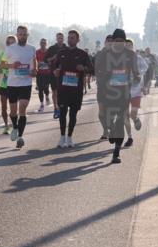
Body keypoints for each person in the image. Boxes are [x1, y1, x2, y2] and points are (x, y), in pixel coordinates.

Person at [95, 29, 142, 164]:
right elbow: (97, 70)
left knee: (120, 121)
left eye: (122, 41)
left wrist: (137, 77)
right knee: (109, 119)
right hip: (108, 93)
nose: (119, 43)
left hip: (124, 94)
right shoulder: (105, 54)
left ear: (125, 42)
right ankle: (110, 129)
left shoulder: (130, 55)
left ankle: (116, 153)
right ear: (113, 41)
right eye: (117, 41)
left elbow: (136, 72)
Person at [50, 29, 92, 148]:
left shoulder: (83, 54)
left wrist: (83, 68)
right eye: (69, 37)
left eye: (72, 37)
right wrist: (55, 71)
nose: (70, 39)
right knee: (63, 113)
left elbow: (91, 69)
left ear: (78, 40)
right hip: (63, 89)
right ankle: (62, 137)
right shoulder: (61, 52)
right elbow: (54, 65)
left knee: (73, 114)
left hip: (76, 90)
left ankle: (69, 137)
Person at [3, 25, 37, 149]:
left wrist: (35, 70)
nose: (22, 36)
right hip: (12, 84)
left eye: (24, 34)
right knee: (13, 111)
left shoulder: (32, 48)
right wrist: (12, 66)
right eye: (20, 34)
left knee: (22, 108)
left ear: (27, 35)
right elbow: (2, 65)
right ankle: (15, 127)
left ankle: (20, 137)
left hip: (26, 83)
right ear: (17, 35)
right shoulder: (10, 49)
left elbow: (34, 61)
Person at [122, 39, 150, 147]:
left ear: (133, 46)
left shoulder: (137, 57)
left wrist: (137, 74)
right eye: (126, 45)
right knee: (125, 116)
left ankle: (136, 119)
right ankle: (130, 137)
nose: (128, 46)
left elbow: (145, 68)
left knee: (132, 114)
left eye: (130, 45)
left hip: (136, 90)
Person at [0, 35, 16, 134]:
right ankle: (6, 126)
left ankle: (14, 125)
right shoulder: (3, 53)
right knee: (4, 107)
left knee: (13, 108)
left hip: (15, 85)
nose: (10, 44)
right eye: (8, 43)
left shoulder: (18, 54)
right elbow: (0, 68)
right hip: (4, 84)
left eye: (13, 42)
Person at [45, 32, 66, 116]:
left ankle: (62, 106)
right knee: (55, 91)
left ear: (63, 39)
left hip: (64, 73)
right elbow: (46, 60)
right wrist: (53, 57)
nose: (60, 39)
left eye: (61, 38)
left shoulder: (66, 48)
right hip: (53, 72)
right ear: (56, 39)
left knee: (63, 91)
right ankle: (55, 108)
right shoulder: (51, 48)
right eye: (59, 38)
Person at [34, 38, 53, 113]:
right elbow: (34, 61)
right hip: (39, 73)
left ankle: (47, 96)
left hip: (47, 73)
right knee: (40, 89)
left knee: (46, 87)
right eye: (42, 43)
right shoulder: (37, 52)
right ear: (40, 44)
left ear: (46, 44)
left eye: (44, 43)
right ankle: (42, 104)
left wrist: (49, 63)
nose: (43, 44)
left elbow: (52, 61)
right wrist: (37, 65)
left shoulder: (49, 52)